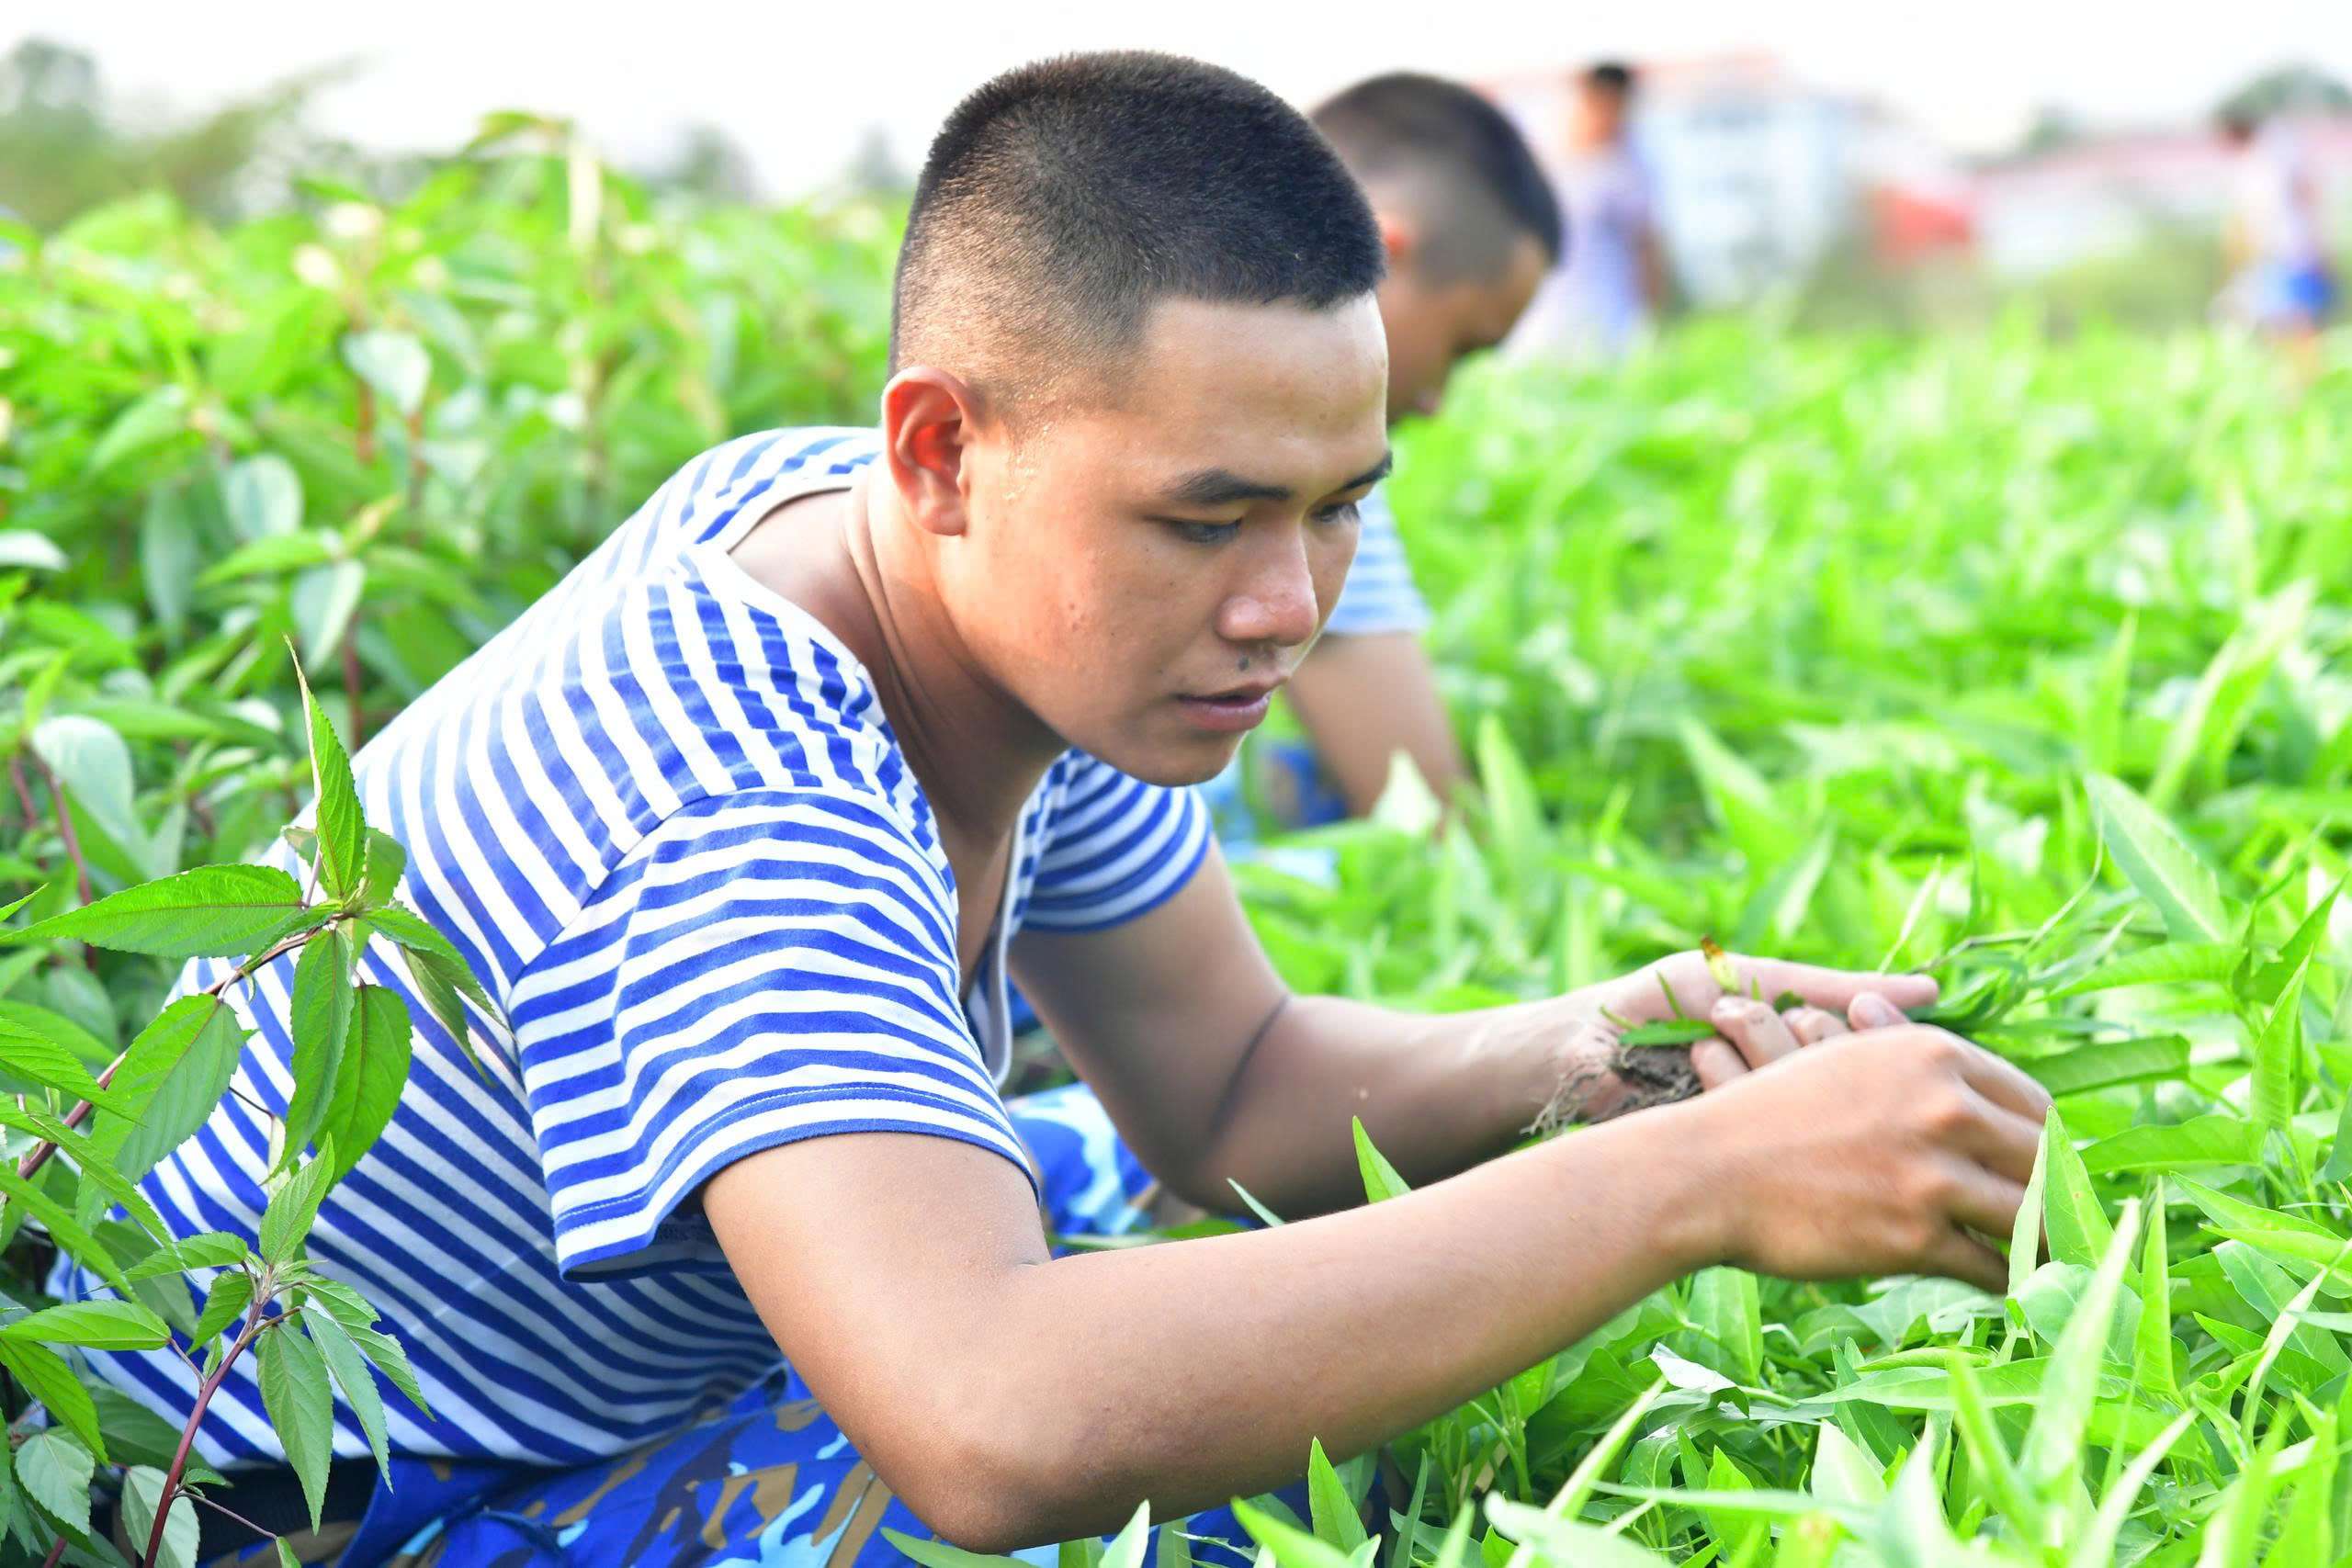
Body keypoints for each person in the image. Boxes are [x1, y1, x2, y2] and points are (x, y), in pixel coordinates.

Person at [65, 52, 2049, 1567]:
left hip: (695, 1338)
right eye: (1209, 517)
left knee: (1270, 1231)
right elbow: (984, 1420)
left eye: (1336, 503)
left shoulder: (968, 584)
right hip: (329, 1497)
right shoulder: (735, 771)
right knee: (1200, 1478)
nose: (1289, 603)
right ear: (943, 449)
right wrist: (1685, 1192)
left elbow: (1228, 1084)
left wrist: (1594, 1059)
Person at [1232, 73, 1560, 825]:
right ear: (1376, 254)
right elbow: (1427, 813)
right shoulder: (1308, 460)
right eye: (1463, 347)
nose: (1439, 400)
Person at [1506, 62, 1666, 363]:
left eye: (1618, 107)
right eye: (1603, 104)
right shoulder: (1542, 154)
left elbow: (1647, 249)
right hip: (1543, 320)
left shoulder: (1631, 167)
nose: (1611, 116)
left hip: (1608, 319)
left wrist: (1650, 321)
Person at [2218, 107, 2336, 379]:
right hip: (2279, 255)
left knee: (2295, 322)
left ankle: (2306, 380)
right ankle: (2292, 380)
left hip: (2288, 254)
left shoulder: (2267, 160)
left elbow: (2257, 220)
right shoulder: (2259, 162)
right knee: (2280, 323)